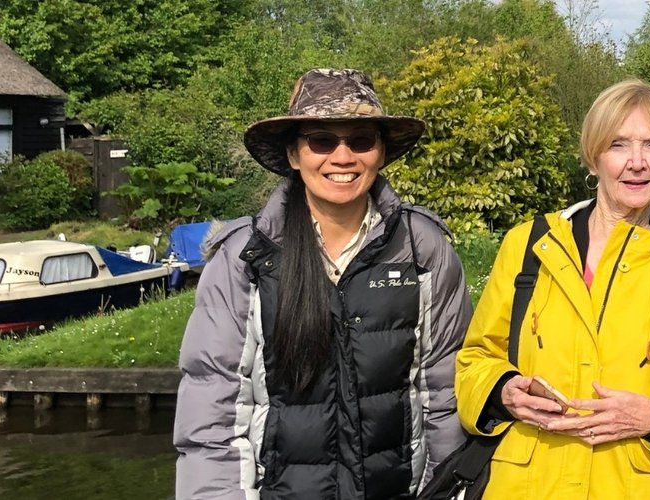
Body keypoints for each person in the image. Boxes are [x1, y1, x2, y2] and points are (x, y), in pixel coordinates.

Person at [174, 69, 469, 498]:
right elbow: (213, 416)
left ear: (381, 152)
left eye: (361, 140)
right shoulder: (245, 256)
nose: (343, 157)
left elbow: (443, 395)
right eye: (322, 140)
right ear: (294, 154)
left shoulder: (422, 247)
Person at [453, 79, 650, 499]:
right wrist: (503, 392)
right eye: (619, 145)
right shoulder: (528, 245)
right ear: (593, 159)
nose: (637, 162)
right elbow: (476, 360)